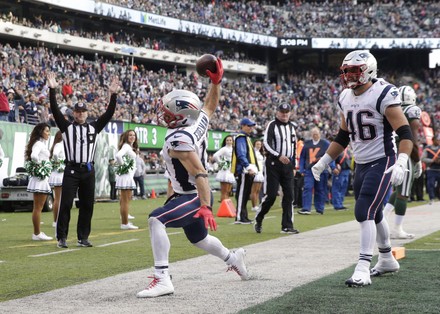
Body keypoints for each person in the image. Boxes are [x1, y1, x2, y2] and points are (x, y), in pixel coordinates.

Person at [137, 58, 249, 298]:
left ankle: (162, 278)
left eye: (167, 111)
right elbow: (209, 106)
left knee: (156, 220)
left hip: (193, 195)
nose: (163, 114)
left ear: (180, 115)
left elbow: (199, 172)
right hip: (186, 193)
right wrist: (216, 82)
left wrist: (206, 206)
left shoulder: (178, 139)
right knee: (199, 239)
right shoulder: (196, 123)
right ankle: (233, 258)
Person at [311, 50, 413, 287]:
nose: (349, 76)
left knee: (363, 210)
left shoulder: (383, 93)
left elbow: (405, 132)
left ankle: (363, 267)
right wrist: (324, 161)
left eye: (355, 71)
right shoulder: (345, 97)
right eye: (346, 71)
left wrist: (401, 161)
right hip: (362, 163)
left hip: (383, 160)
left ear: (369, 70)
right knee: (375, 213)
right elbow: (343, 135)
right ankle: (387, 258)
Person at [47, 72, 120, 248]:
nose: (80, 114)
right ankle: (62, 237)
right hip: (71, 170)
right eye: (77, 111)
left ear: (87, 113)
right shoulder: (66, 127)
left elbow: (109, 114)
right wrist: (52, 90)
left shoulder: (94, 127)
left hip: (88, 170)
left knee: (87, 205)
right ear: (74, 113)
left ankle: (83, 237)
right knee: (65, 203)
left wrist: (113, 95)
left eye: (83, 112)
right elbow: (55, 111)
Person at [382, 86, 422, 238]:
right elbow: (412, 138)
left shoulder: (392, 109)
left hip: (391, 152)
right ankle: (397, 229)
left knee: (398, 190)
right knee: (403, 193)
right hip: (405, 152)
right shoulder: (412, 110)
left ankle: (383, 219)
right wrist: (417, 160)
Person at [254, 104, 299, 234]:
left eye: (286, 112)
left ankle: (287, 226)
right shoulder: (272, 125)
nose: (284, 115)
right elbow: (266, 144)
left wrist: (294, 165)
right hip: (274, 164)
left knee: (289, 195)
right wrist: (278, 156)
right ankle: (259, 216)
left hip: (288, 165)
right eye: (282, 112)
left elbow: (294, 147)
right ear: (277, 112)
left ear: (290, 113)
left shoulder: (292, 127)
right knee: (272, 195)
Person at [25, 122, 53, 241]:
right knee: (38, 207)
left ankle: (37, 233)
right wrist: (40, 167)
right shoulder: (38, 144)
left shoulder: (40, 144)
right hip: (40, 179)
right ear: (41, 132)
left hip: (41, 179)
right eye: (46, 131)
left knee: (38, 207)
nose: (48, 133)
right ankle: (37, 233)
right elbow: (34, 156)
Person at [298, 126, 335, 215]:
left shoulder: (325, 143)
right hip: (309, 169)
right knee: (307, 187)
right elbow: (302, 157)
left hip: (321, 170)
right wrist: (301, 169)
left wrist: (332, 166)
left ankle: (320, 208)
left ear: (319, 134)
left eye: (316, 134)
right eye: (313, 134)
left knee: (320, 189)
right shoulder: (306, 144)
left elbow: (331, 155)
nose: (315, 135)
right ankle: (306, 208)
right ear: (311, 134)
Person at [231, 118, 259, 224]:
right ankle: (239, 217)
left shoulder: (246, 138)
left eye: (251, 126)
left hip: (247, 169)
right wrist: (247, 167)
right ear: (242, 126)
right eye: (248, 126)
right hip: (244, 170)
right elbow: (241, 154)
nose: (250, 128)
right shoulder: (241, 138)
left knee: (245, 193)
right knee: (242, 194)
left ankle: (243, 216)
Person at [115, 129, 139, 230]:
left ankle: (125, 218)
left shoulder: (129, 146)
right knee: (125, 201)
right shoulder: (126, 146)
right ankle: (124, 223)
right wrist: (123, 166)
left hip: (127, 176)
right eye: (130, 135)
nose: (132, 137)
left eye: (134, 135)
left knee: (125, 200)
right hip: (126, 177)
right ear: (126, 137)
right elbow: (118, 156)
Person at [48, 130, 65, 227]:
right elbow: (55, 155)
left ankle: (59, 219)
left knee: (61, 198)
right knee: (58, 198)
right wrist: (59, 163)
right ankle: (55, 221)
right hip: (60, 174)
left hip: (61, 174)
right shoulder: (59, 145)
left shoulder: (62, 144)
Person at [213, 135, 235, 202]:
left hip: (231, 170)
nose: (229, 141)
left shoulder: (234, 149)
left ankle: (227, 207)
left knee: (228, 191)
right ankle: (223, 207)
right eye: (227, 140)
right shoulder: (224, 149)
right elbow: (215, 155)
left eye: (230, 140)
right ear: (225, 141)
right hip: (224, 171)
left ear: (232, 141)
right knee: (224, 191)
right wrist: (221, 163)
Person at [422, 135, 440, 205]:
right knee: (430, 184)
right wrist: (432, 160)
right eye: (437, 140)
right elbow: (422, 158)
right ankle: (431, 198)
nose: (438, 141)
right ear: (433, 140)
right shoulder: (427, 149)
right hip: (431, 169)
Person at [250, 139, 264, 212]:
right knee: (254, 190)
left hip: (260, 172)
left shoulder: (260, 153)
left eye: (260, 144)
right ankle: (254, 205)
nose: (259, 146)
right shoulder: (253, 152)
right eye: (257, 144)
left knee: (258, 190)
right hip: (256, 172)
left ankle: (256, 205)